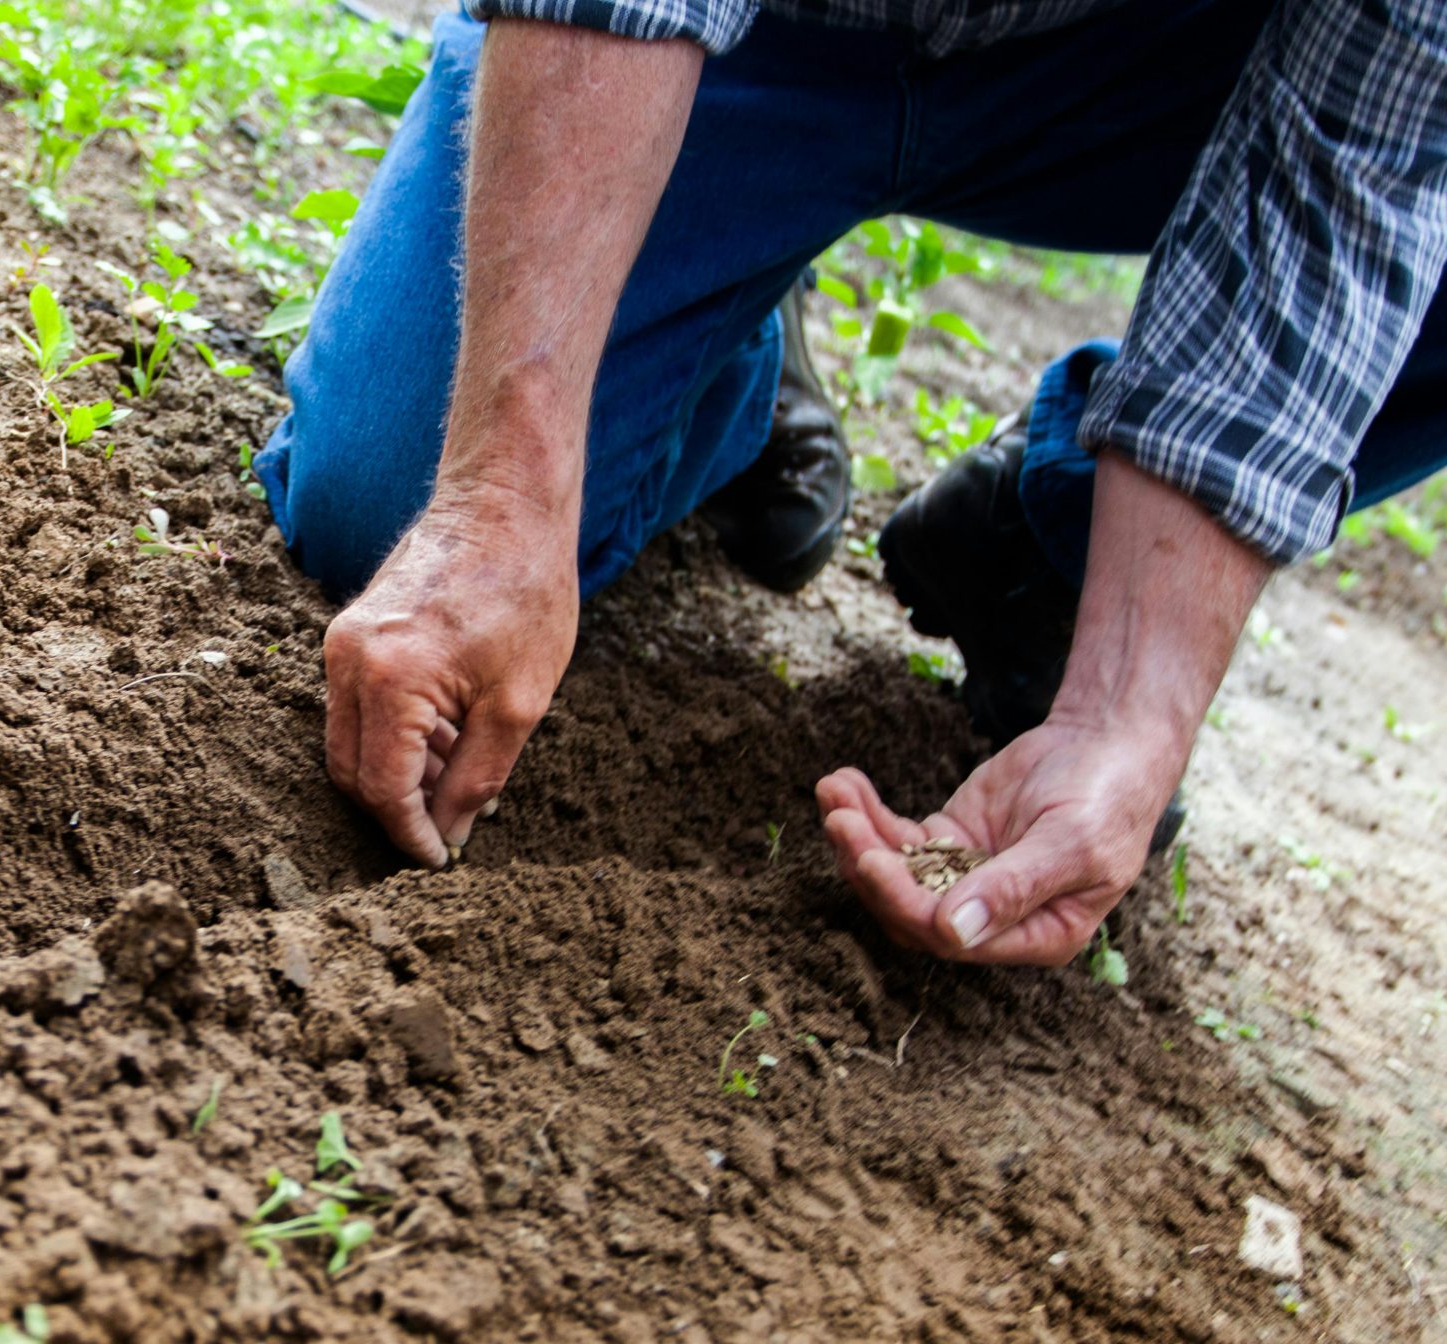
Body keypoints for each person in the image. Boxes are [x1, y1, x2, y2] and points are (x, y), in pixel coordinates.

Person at [254, 0, 1447, 966]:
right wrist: (498, 497)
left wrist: (1127, 709)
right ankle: (730, 346)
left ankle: (1060, 545)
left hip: (1142, 69)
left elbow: (1360, 165)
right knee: (388, 500)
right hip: (762, 35)